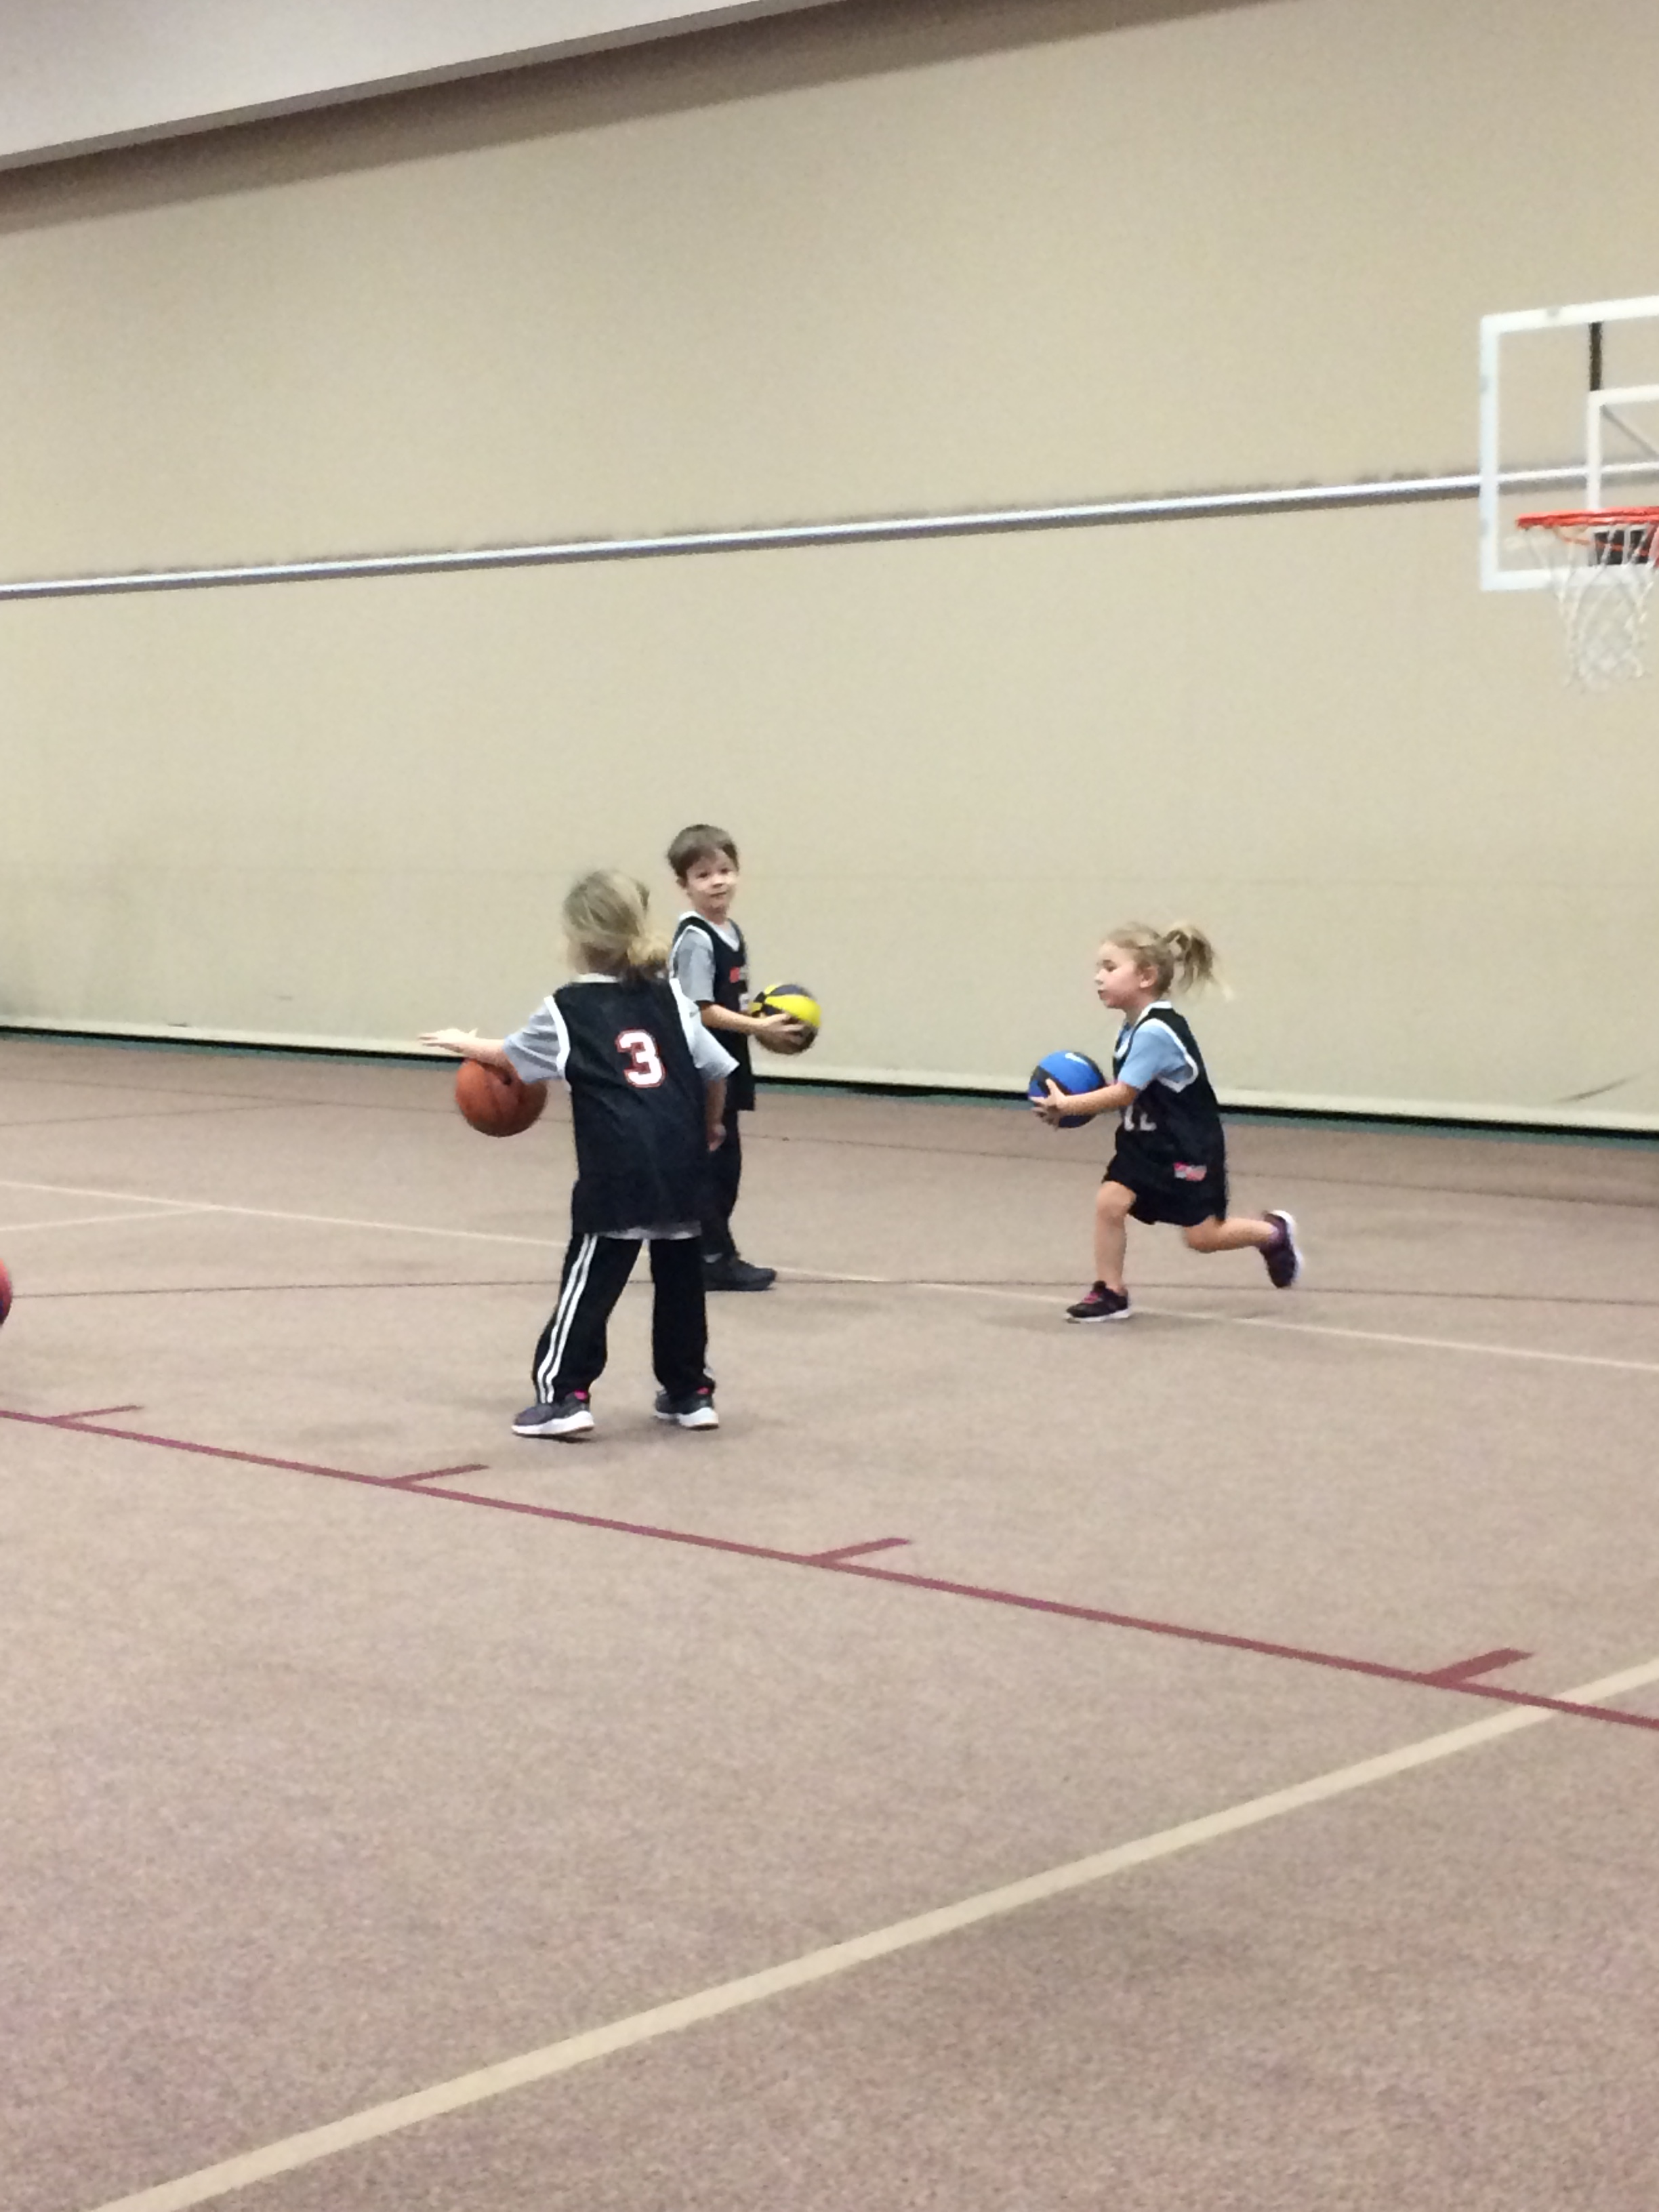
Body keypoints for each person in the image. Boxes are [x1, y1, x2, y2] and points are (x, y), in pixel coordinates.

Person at [421, 869, 735, 1438]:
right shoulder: (672, 998)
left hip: (619, 1163)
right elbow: (716, 1069)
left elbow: (512, 1057)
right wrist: (711, 1125)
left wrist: (462, 1043)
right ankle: (690, 1392)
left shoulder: (570, 1007)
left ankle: (565, 1395)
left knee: (591, 1279)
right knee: (681, 1281)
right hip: (683, 1157)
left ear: (578, 937)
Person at [1032, 923, 1301, 1321]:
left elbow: (1123, 1094)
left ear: (1146, 976)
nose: (1098, 977)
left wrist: (1070, 1106)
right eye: (1098, 968)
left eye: (1109, 967)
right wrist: (1079, 1102)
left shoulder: (1156, 1031)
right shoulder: (1131, 1028)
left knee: (1203, 1237)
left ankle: (1272, 1234)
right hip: (1143, 1143)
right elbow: (1132, 1092)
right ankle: (1110, 1292)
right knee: (1110, 1203)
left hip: (1185, 1145)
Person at [665, 823, 807, 1292]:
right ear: (684, 885)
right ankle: (710, 1258)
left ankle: (711, 1252)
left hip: (729, 1063)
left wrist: (758, 1021)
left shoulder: (730, 932)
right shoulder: (696, 939)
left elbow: (730, 1004)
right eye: (703, 875)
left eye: (725, 870)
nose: (717, 882)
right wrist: (759, 1027)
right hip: (700, 1068)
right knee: (710, 1167)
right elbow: (700, 1010)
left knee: (727, 1168)